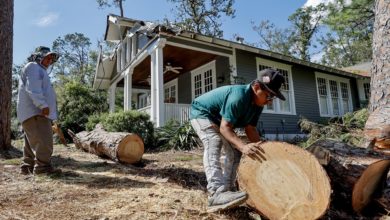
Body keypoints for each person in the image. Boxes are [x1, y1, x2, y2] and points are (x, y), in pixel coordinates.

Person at [190, 68, 286, 212]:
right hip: (202, 113)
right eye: (268, 96)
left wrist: (264, 151)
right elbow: (225, 128)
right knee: (214, 141)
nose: (270, 101)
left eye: (272, 98)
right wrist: (243, 146)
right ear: (256, 87)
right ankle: (216, 192)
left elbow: (251, 129)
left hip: (220, 120)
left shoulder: (258, 105)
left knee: (235, 153)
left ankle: (228, 190)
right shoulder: (239, 96)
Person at [17, 46, 61, 175]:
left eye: (51, 59)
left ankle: (27, 167)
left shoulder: (37, 69)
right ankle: (43, 169)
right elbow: (33, 88)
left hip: (32, 113)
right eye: (47, 57)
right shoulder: (33, 67)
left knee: (31, 142)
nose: (49, 61)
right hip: (37, 112)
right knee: (44, 141)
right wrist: (43, 105)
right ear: (38, 56)